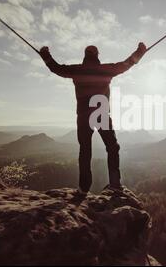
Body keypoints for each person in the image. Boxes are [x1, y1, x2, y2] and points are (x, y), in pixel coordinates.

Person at [39, 42, 147, 195]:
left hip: (83, 116)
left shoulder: (77, 70)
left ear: (85, 55)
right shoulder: (106, 70)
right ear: (97, 56)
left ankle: (83, 188)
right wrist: (140, 51)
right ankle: (115, 183)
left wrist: (45, 55)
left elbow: (56, 68)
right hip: (101, 114)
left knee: (85, 150)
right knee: (112, 147)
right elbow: (127, 63)